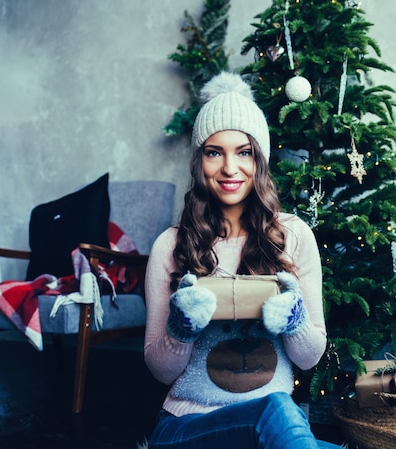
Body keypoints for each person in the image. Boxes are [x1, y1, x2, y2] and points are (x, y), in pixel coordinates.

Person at [144, 72, 340, 449]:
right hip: (186, 427)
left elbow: (309, 358)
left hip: (273, 430)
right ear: (199, 161)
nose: (229, 168)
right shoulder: (171, 245)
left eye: (244, 152)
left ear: (259, 160)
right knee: (278, 411)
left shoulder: (293, 235)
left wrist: (295, 321)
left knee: (280, 416)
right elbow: (158, 370)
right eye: (214, 152)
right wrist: (180, 328)